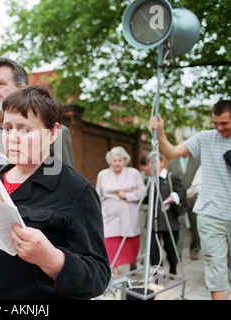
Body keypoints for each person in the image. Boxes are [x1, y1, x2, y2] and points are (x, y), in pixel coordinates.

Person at [0, 85, 110, 299]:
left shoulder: (76, 190)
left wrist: (50, 258)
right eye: (8, 128)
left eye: (25, 129)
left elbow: (98, 276)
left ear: (53, 133)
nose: (13, 137)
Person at [151, 99, 231, 300]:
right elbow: (171, 152)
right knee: (216, 270)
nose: (219, 128)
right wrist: (160, 131)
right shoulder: (205, 138)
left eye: (224, 124)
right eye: (215, 123)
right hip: (211, 214)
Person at [96, 146, 145, 276]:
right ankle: (114, 267)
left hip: (128, 212)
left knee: (130, 240)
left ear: (125, 160)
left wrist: (128, 196)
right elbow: (98, 195)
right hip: (109, 213)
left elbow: (143, 192)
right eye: (115, 160)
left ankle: (132, 262)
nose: (117, 163)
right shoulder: (103, 174)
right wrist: (97, 212)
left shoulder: (134, 173)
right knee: (110, 241)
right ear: (110, 161)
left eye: (120, 160)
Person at [144, 153, 186, 276]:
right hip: (153, 221)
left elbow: (182, 192)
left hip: (170, 221)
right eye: (150, 162)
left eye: (155, 161)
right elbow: (146, 200)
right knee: (154, 252)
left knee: (170, 249)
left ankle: (173, 267)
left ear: (162, 162)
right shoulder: (148, 180)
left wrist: (174, 197)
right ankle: (157, 280)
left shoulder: (171, 177)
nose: (153, 164)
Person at [168, 155, 201, 260]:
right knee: (179, 226)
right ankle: (178, 252)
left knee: (195, 226)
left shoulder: (197, 161)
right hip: (179, 200)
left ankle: (194, 250)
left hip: (194, 199)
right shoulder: (172, 162)